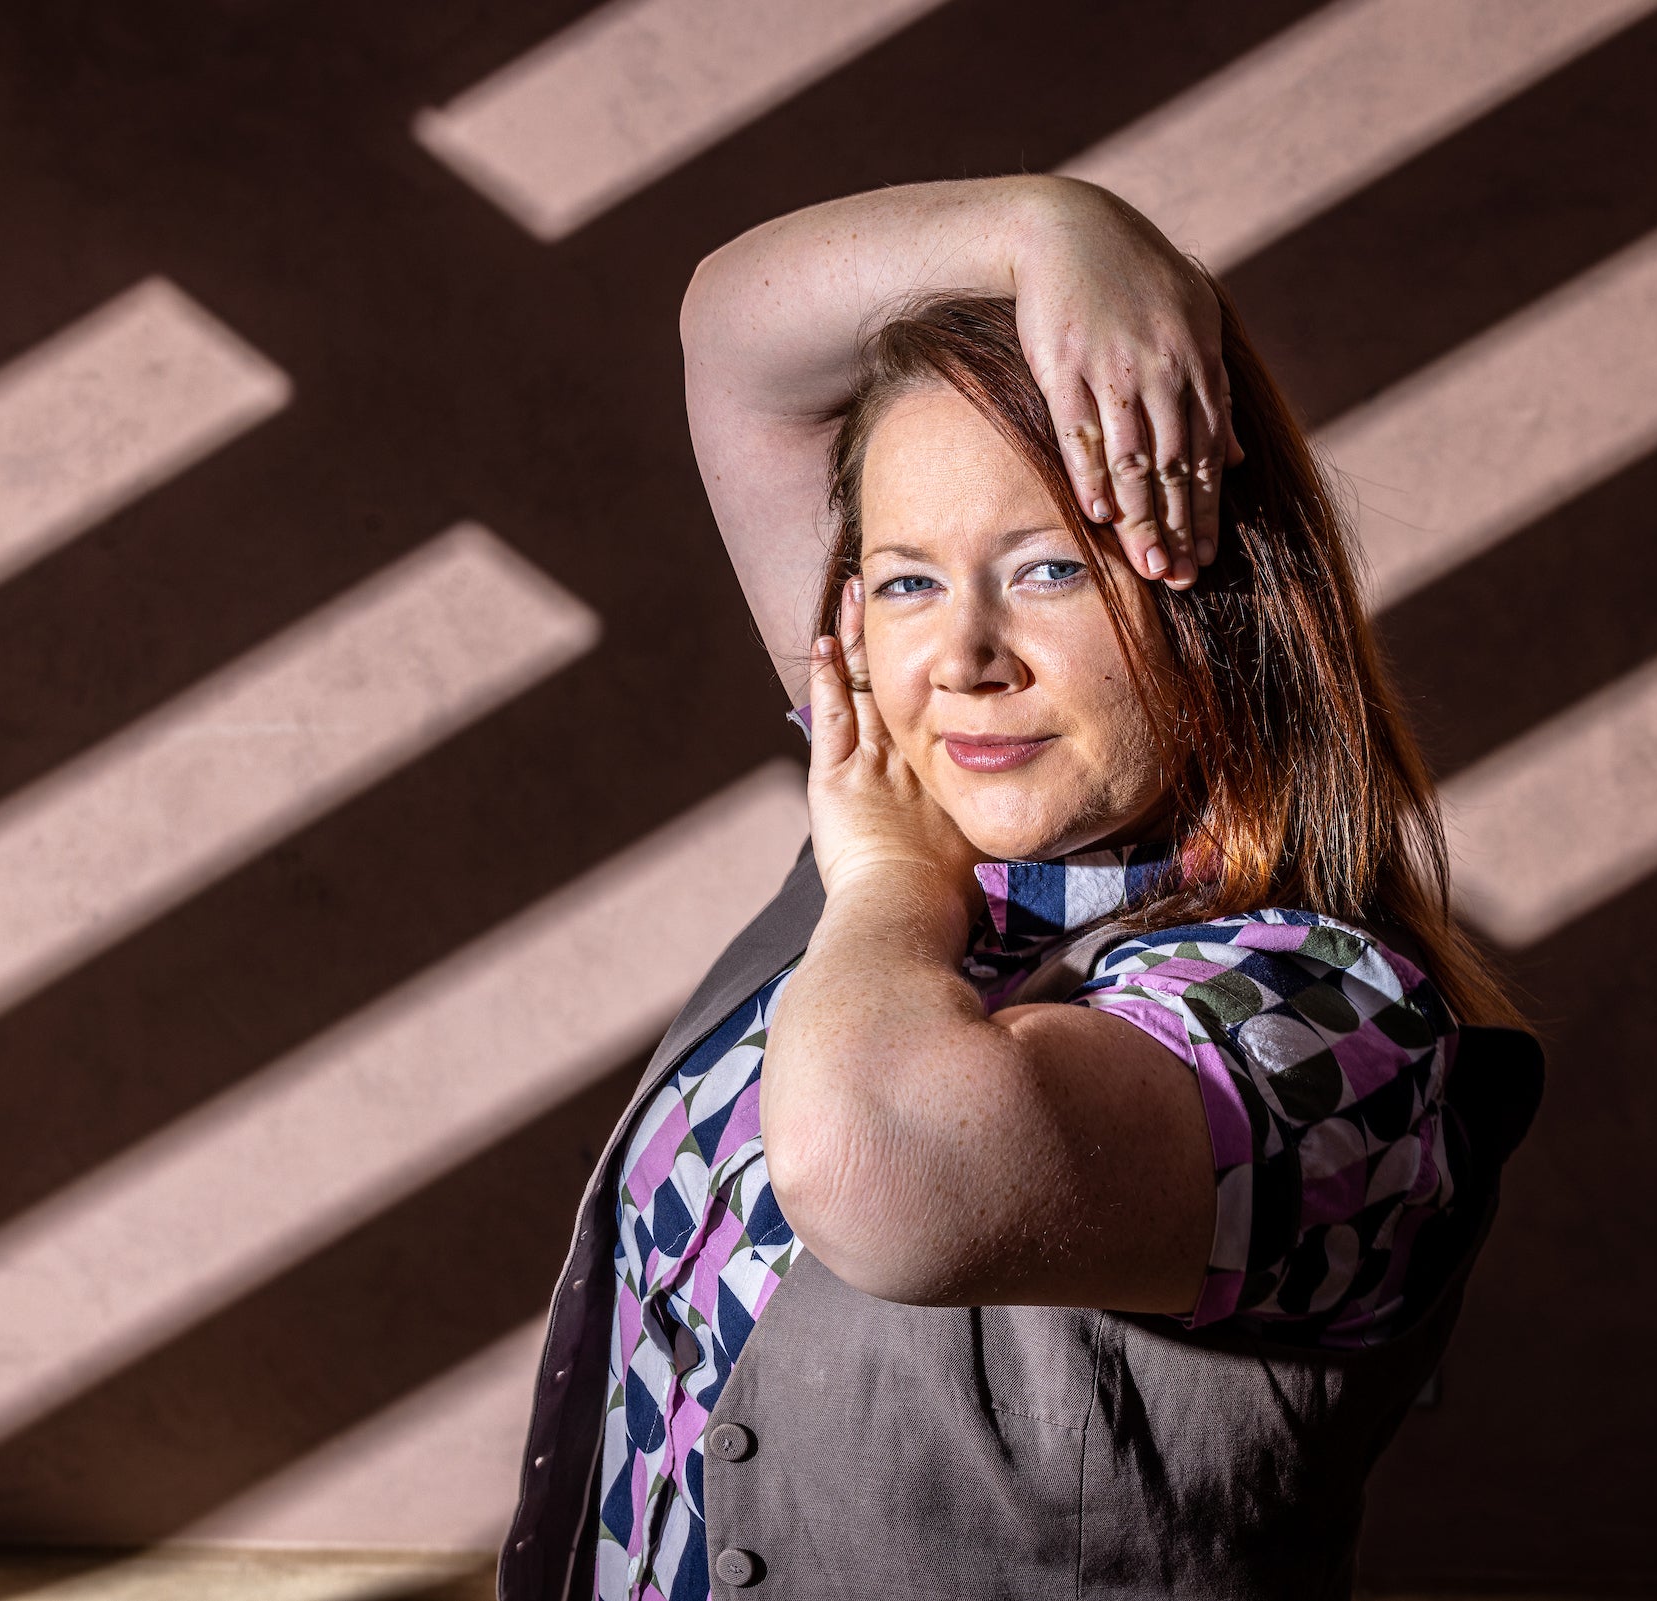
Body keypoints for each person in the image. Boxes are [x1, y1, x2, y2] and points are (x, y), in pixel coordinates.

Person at [497, 175, 1543, 1601]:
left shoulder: (1327, 1028)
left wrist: (875, 886)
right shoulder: (933, 800)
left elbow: (879, 1168)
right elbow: (738, 337)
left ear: (1216, 604)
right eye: (907, 580)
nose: (964, 657)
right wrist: (1045, 230)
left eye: (1051, 568)